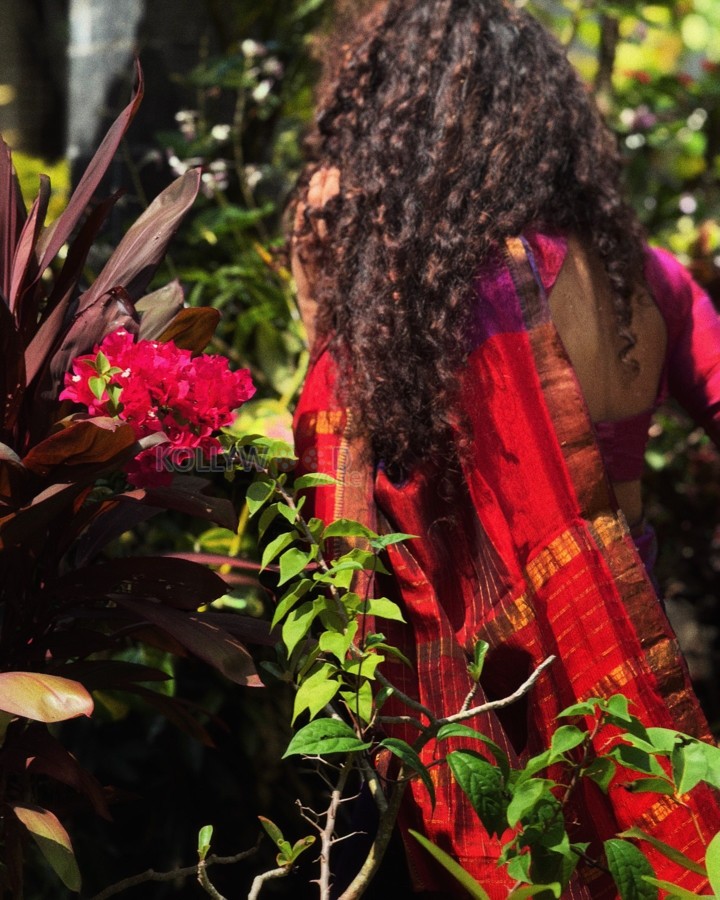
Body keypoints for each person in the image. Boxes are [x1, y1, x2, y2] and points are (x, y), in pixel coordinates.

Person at [289, 0, 720, 896]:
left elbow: (339, 497)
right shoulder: (653, 276)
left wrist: (322, 295)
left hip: (489, 701)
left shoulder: (419, 320)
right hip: (626, 650)